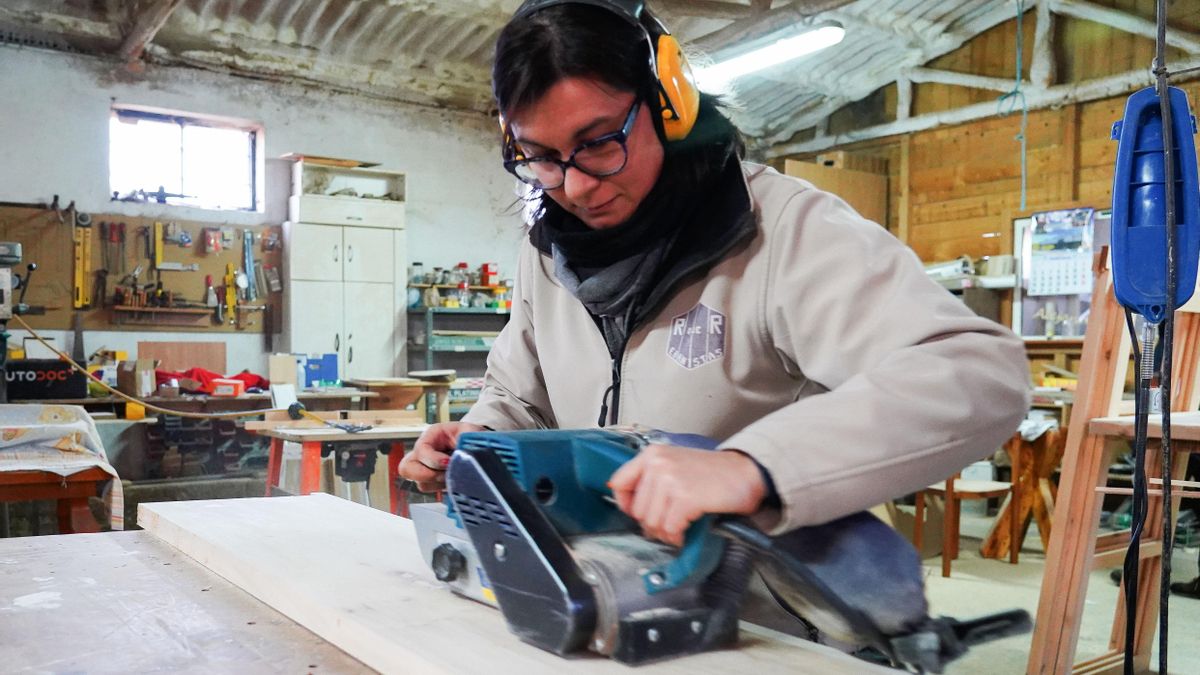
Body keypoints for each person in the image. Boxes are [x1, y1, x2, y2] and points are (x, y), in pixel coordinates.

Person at [399, 0, 1030, 550]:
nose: (576, 185)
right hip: (599, 593)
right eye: (540, 157)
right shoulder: (546, 255)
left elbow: (975, 371)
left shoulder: (780, 228)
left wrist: (752, 467)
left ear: (667, 101)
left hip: (763, 620)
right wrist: (478, 442)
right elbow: (520, 399)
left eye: (597, 142)